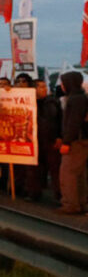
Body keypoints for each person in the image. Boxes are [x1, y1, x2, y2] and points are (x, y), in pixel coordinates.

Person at [57, 72, 88, 214]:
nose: (61, 86)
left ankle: (70, 205)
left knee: (68, 174)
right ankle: (80, 203)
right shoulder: (82, 97)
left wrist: (66, 141)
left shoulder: (75, 100)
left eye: (63, 83)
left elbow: (73, 122)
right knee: (80, 174)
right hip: (82, 140)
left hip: (76, 141)